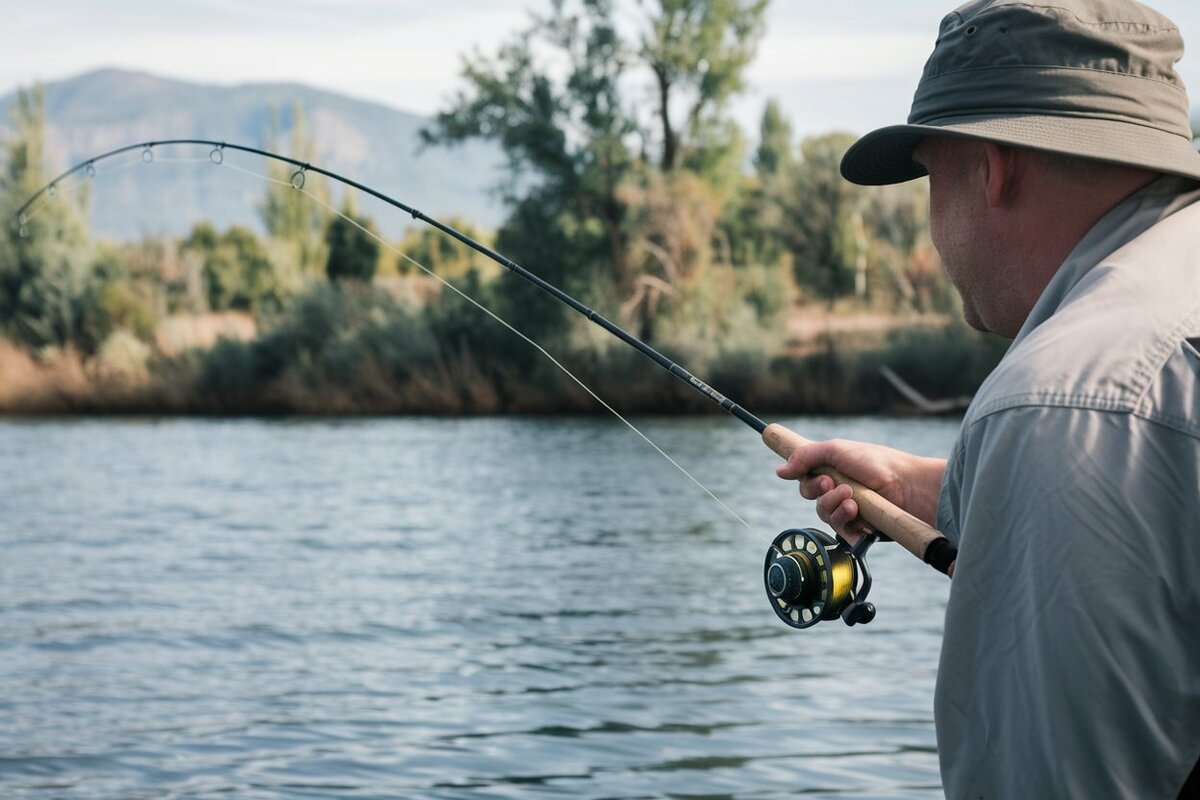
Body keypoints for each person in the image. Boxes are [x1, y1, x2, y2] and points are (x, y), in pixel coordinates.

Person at [776, 0, 1200, 795]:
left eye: (933, 178)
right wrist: (930, 488)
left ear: (994, 165)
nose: (934, 224)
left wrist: (1023, 445)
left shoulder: (1061, 405)